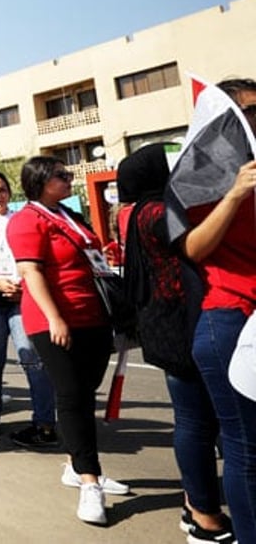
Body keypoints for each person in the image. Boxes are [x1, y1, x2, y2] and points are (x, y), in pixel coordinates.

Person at [118, 144, 232, 544]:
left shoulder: (138, 211)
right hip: (179, 324)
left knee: (199, 419)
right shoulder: (156, 211)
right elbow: (196, 246)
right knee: (198, 422)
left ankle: (195, 502)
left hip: (166, 322)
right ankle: (204, 516)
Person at [7, 155, 128, 526]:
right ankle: (90, 481)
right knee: (72, 394)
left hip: (93, 314)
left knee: (85, 391)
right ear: (42, 181)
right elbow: (30, 272)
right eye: (62, 175)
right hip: (53, 320)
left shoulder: (70, 216)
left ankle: (77, 464)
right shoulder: (26, 219)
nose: (70, 178)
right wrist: (54, 317)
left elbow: (89, 257)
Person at [173, 77, 256, 544]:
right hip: (229, 318)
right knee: (246, 448)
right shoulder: (202, 173)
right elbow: (192, 248)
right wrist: (235, 193)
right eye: (250, 110)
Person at [0, 170, 58, 448]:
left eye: (2, 189)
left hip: (22, 297)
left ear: (10, 191)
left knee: (32, 356)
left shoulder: (21, 219)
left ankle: (44, 421)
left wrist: (21, 283)